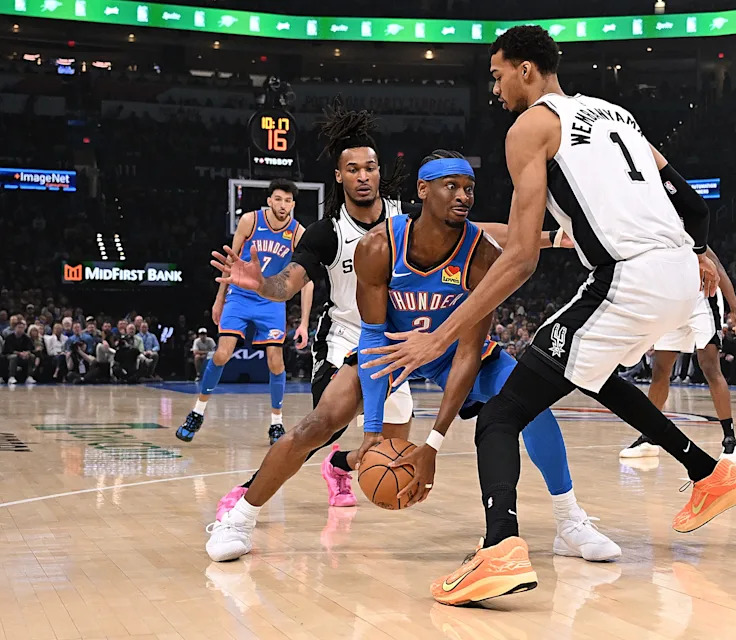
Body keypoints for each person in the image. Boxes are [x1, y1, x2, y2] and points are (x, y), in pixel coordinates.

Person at [360, 26, 736, 605]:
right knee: (595, 377)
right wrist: (695, 257)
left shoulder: (531, 126)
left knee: (499, 418)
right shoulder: (617, 114)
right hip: (681, 273)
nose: (494, 90)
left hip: (628, 276)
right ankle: (708, 472)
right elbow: (692, 205)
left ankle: (499, 549)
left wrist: (436, 338)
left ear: (525, 69)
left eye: (497, 75)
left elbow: (518, 258)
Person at [205, 150, 619, 567]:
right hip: (390, 349)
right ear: (423, 190)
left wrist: (434, 443)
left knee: (532, 407)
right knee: (317, 424)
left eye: (469, 189)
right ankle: (239, 519)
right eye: (451, 186)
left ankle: (570, 522)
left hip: (453, 350)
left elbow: (471, 351)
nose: (463, 196)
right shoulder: (378, 246)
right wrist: (369, 434)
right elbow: (371, 336)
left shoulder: (482, 256)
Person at [176, 179, 314, 445]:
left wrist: (304, 322)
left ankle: (276, 423)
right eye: (278, 199)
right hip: (239, 296)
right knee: (222, 354)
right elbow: (230, 261)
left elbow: (306, 278)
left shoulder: (298, 233)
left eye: (287, 200)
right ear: (269, 201)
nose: (282, 205)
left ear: (293, 204)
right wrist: (220, 300)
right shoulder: (250, 221)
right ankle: (197, 411)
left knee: (276, 361)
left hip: (272, 299)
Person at [620, 246, 736, 463]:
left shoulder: (687, 229)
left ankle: (730, 439)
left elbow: (718, 266)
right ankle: (649, 436)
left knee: (709, 366)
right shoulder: (649, 241)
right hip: (673, 303)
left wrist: (735, 308)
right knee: (660, 370)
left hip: (702, 298)